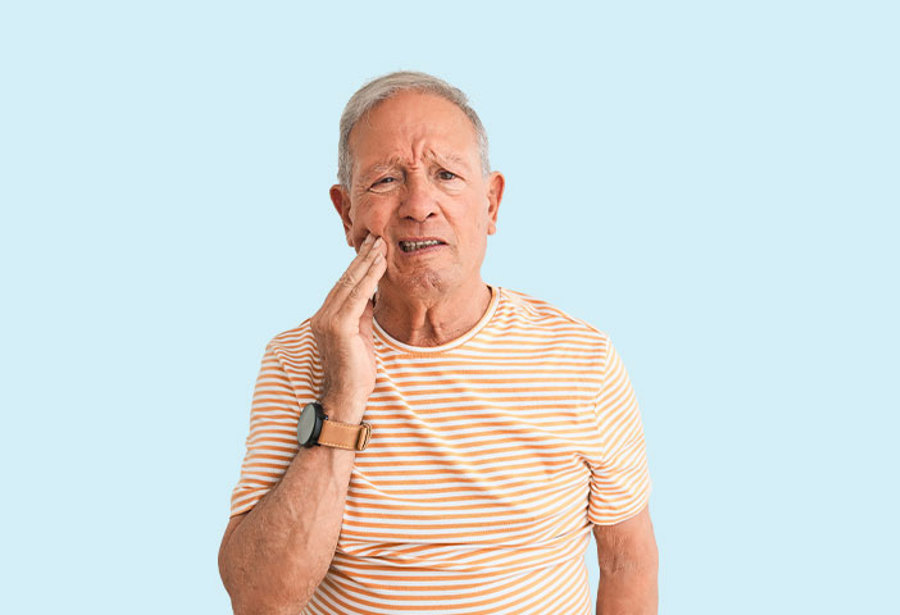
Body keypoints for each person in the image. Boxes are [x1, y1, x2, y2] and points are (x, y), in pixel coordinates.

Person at [218, 71, 658, 615]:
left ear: (492, 204)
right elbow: (258, 599)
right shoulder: (296, 360)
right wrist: (342, 399)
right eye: (385, 181)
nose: (419, 204)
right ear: (346, 213)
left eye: (446, 175)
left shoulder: (581, 358)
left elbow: (627, 563)